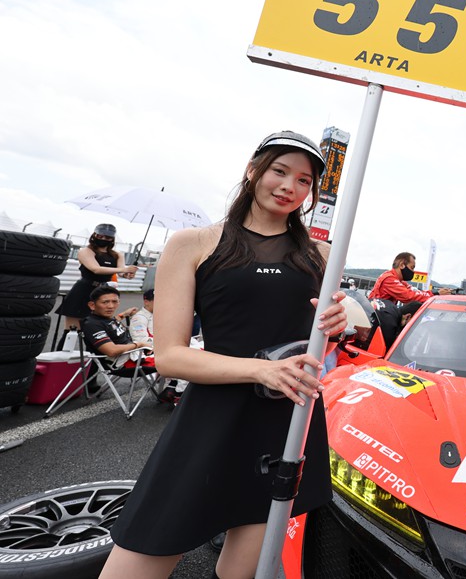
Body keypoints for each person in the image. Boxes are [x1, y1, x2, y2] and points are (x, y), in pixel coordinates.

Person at [100, 130, 350, 579]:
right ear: (253, 170)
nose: (290, 186)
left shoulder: (321, 254)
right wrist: (261, 370)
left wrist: (331, 329)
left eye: (304, 180)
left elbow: (313, 347)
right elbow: (170, 357)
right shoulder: (193, 243)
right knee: (141, 554)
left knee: (241, 570)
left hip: (286, 421)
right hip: (213, 413)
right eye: (279, 171)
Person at [56, 224, 138, 333]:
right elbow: (96, 269)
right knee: (72, 331)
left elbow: (121, 272)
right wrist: (124, 270)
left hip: (103, 292)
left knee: (97, 329)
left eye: (107, 237)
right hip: (83, 291)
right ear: (95, 235)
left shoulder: (117, 255)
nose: (103, 239)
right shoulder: (85, 251)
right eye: (100, 236)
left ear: (112, 239)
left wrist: (128, 274)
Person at [82, 285, 147, 368]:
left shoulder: (105, 319)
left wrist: (124, 314)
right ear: (92, 305)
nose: (111, 306)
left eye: (114, 302)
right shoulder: (92, 324)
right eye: (105, 302)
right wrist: (139, 345)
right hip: (119, 363)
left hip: (132, 353)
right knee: (163, 362)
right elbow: (112, 351)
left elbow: (111, 323)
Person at [369, 252, 452, 304]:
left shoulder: (400, 282)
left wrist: (435, 292)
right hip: (377, 318)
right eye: (412, 267)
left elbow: (416, 292)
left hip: (385, 314)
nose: (413, 271)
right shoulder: (389, 279)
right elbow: (408, 296)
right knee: (414, 305)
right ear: (402, 265)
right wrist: (435, 294)